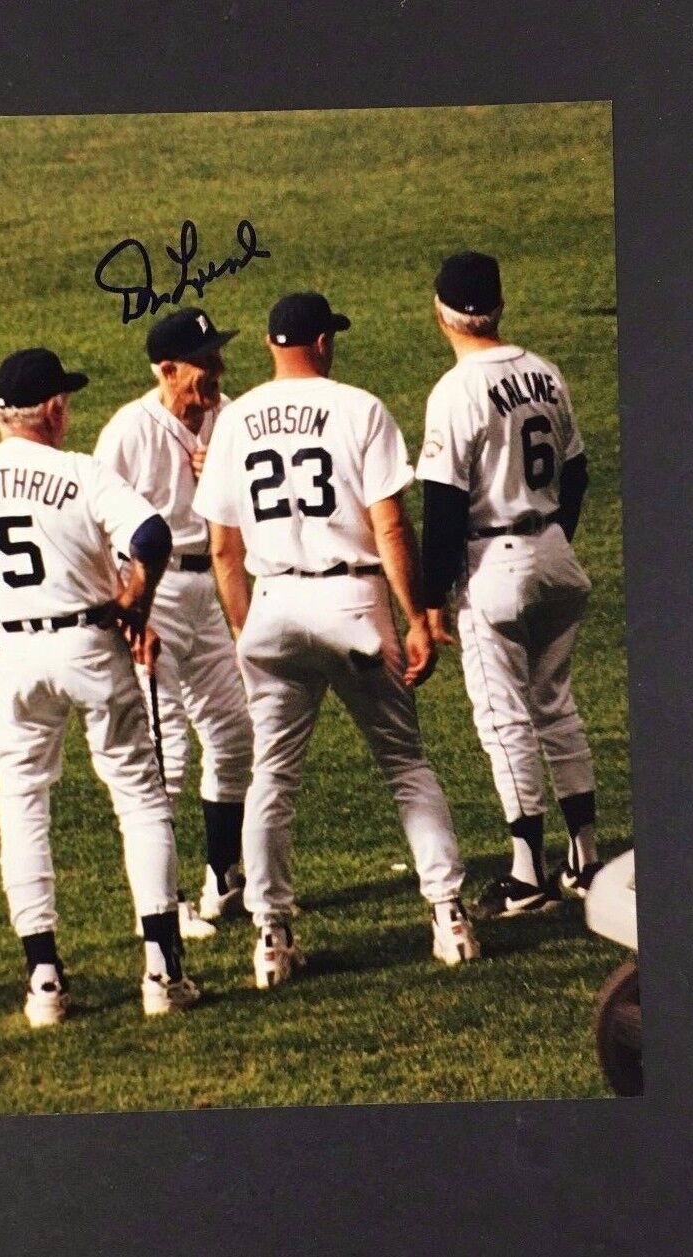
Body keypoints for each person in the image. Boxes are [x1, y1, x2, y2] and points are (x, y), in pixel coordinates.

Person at [0, 347, 201, 1024]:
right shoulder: (79, 471)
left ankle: (43, 979)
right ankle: (162, 971)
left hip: (10, 654)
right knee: (138, 797)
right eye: (66, 402)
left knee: (22, 803)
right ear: (51, 409)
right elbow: (153, 536)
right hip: (88, 646)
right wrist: (136, 602)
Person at [193, 292, 480, 988]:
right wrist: (416, 615)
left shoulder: (232, 422)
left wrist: (244, 633)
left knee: (272, 777)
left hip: (271, 604)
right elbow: (388, 528)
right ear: (321, 342)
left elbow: (223, 551)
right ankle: (449, 918)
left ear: (269, 344)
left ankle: (270, 937)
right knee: (405, 765)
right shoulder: (359, 407)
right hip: (351, 602)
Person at [418, 251, 602, 919]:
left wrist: (428, 596)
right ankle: (585, 858)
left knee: (504, 720)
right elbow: (577, 473)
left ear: (441, 311)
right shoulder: (544, 373)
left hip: (492, 564)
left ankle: (527, 873)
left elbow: (441, 506)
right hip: (554, 551)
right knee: (556, 707)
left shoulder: (456, 390)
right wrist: (551, 540)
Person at [94, 308, 254, 934]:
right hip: (149, 595)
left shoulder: (229, 415)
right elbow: (98, 527)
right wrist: (131, 608)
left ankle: (224, 878)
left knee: (234, 733)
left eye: (216, 356)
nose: (216, 370)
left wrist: (224, 475)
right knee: (165, 753)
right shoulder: (128, 431)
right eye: (203, 361)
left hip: (211, 588)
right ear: (167, 370)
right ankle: (161, 904)